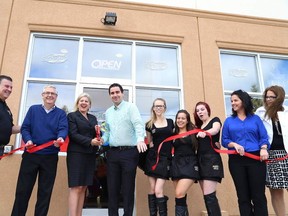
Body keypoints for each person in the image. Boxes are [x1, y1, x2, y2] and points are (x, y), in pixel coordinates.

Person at [11, 85, 68, 216]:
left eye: (53, 94)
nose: (50, 95)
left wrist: (60, 138)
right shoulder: (33, 110)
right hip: (31, 155)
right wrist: (28, 140)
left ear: (56, 97)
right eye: (47, 93)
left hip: (50, 157)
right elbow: (25, 128)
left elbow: (63, 129)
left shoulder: (61, 114)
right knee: (22, 191)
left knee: (45, 193)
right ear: (42, 95)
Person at [100, 83, 147, 216]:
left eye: (117, 92)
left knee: (127, 189)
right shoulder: (108, 112)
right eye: (112, 93)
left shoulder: (131, 107)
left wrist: (140, 139)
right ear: (110, 95)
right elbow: (108, 132)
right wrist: (103, 139)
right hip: (113, 153)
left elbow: (138, 124)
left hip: (129, 153)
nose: (115, 95)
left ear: (122, 93)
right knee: (112, 189)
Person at [221, 89, 270, 216]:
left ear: (244, 101)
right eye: (231, 101)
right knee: (243, 196)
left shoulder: (256, 119)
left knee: (258, 195)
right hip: (236, 161)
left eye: (235, 100)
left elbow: (263, 138)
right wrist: (234, 144)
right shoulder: (229, 121)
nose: (232, 103)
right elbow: (224, 140)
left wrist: (263, 148)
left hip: (255, 159)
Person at [67, 93, 102, 216]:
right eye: (81, 100)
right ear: (78, 103)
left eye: (86, 101)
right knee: (76, 187)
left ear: (89, 105)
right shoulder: (72, 116)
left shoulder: (93, 118)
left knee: (83, 187)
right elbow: (73, 134)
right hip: (76, 155)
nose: (84, 103)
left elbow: (96, 133)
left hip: (89, 155)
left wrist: (99, 138)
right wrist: (90, 141)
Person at [255, 85, 288, 216]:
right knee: (276, 190)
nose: (268, 99)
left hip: (286, 153)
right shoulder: (260, 112)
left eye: (272, 97)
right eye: (266, 96)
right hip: (272, 154)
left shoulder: (286, 111)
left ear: (279, 97)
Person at [145, 98, 174, 216]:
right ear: (153, 108)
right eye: (156, 106)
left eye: (161, 106)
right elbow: (150, 142)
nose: (158, 108)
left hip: (165, 159)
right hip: (152, 158)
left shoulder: (171, 122)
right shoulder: (149, 124)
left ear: (165, 108)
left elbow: (174, 139)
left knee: (158, 190)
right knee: (152, 189)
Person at [194, 102, 223, 216]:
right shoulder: (197, 128)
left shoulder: (214, 120)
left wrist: (205, 133)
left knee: (209, 195)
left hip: (212, 159)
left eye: (202, 109)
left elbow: (215, 130)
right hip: (200, 160)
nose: (200, 112)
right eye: (198, 110)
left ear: (208, 110)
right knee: (207, 196)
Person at [171, 109, 199, 216]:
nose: (180, 120)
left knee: (179, 193)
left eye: (183, 118)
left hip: (190, 164)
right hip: (176, 164)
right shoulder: (173, 133)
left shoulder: (194, 132)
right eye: (178, 118)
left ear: (187, 120)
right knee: (181, 196)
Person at [0, 75, 20, 155]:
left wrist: (27, 126)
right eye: (6, 86)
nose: (9, 89)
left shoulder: (5, 107)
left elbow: (10, 128)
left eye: (11, 87)